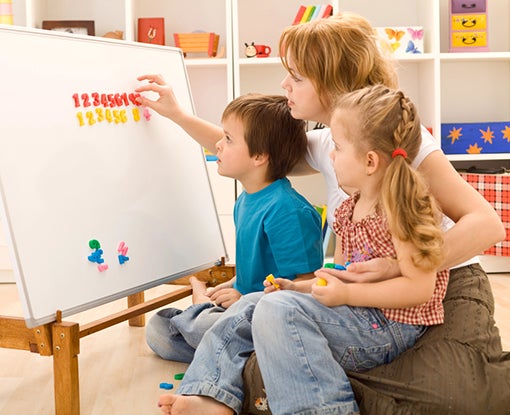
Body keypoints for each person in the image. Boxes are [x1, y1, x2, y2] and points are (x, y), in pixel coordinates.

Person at [137, 11, 508, 415]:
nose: (284, 85)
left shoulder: (397, 143)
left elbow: (486, 225)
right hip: (362, 301)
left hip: (440, 282)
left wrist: (398, 266)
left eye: (296, 77)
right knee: (265, 321)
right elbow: (247, 149)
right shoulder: (332, 143)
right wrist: (178, 115)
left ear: (333, 83)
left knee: (455, 396)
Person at [157, 83, 452, 414]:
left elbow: (419, 288)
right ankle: (210, 395)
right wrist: (299, 288)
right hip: (355, 315)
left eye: (337, 147)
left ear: (370, 161)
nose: (330, 155)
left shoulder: (404, 208)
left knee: (273, 311)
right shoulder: (349, 208)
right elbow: (337, 275)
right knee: (259, 303)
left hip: (387, 328)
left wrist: (346, 294)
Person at [145, 94, 324, 363]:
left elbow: (303, 286)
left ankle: (217, 335)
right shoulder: (245, 200)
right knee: (158, 329)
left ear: (259, 156)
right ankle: (229, 349)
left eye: (228, 139)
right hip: (237, 312)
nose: (218, 144)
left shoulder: (288, 211)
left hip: (269, 317)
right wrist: (231, 285)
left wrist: (243, 298)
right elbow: (254, 270)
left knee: (196, 327)